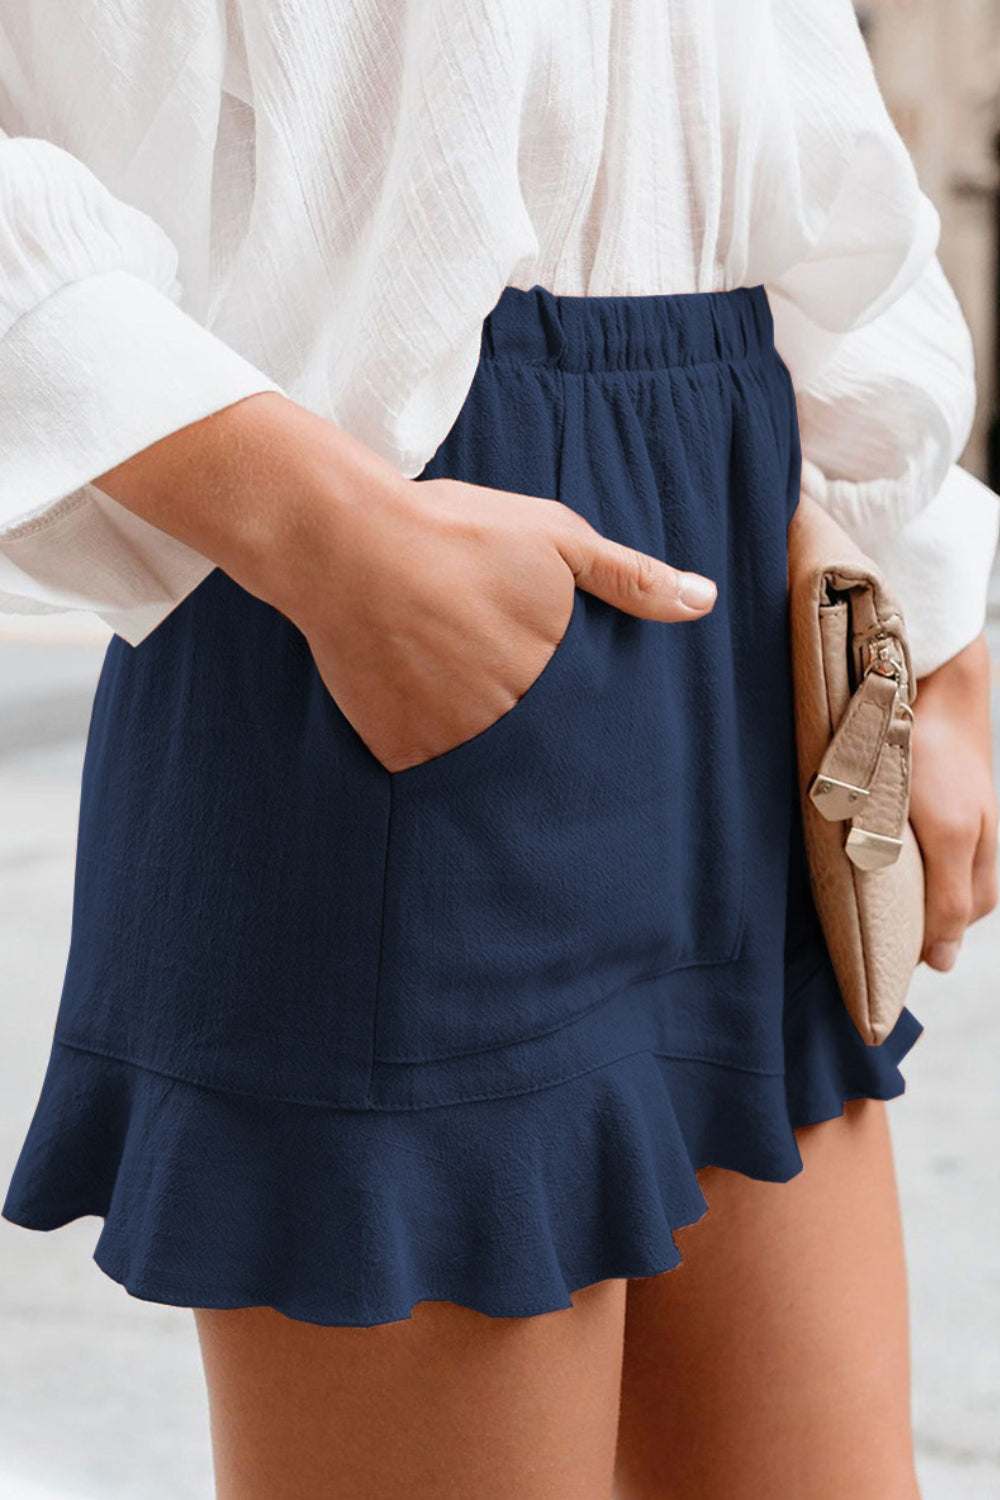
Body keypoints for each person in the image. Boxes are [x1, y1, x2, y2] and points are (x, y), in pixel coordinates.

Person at [1, 4, 996, 1497]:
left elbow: (799, 107)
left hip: (740, 577)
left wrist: (938, 625)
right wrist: (327, 531)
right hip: (385, 588)